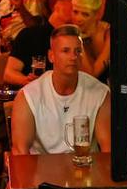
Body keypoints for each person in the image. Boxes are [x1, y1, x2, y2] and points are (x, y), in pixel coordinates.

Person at [11, 25, 111, 155]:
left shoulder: (100, 93)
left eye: (78, 51)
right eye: (65, 51)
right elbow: (20, 152)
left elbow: (108, 151)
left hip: (86, 169)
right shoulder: (28, 96)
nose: (73, 57)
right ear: (51, 56)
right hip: (43, 172)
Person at [71, 0, 110, 82]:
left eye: (85, 14)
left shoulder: (107, 33)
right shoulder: (69, 31)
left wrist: (78, 38)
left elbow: (91, 77)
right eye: (75, 12)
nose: (78, 18)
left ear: (97, 15)